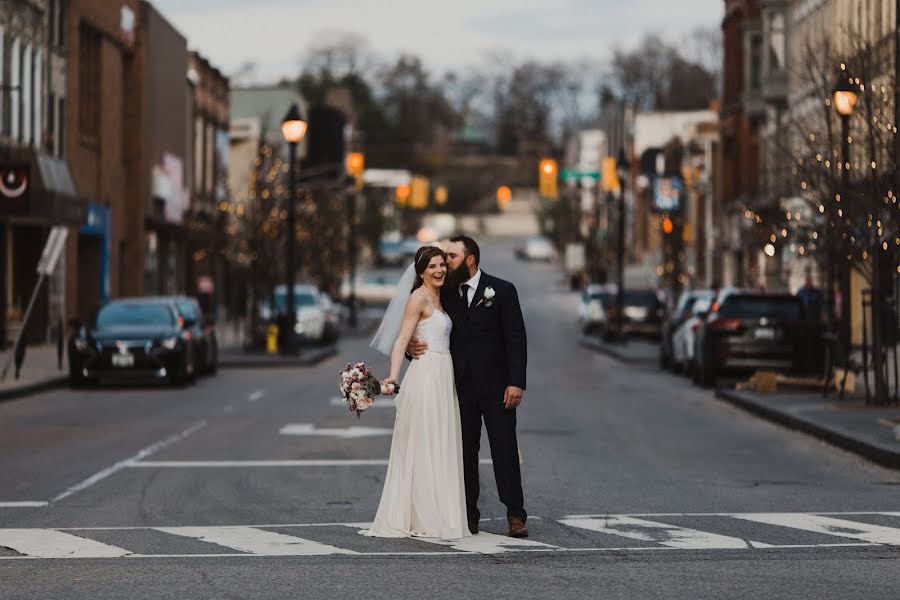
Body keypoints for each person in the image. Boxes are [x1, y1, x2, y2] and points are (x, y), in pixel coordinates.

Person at [407, 235, 529, 538]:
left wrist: (516, 382)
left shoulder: (501, 290)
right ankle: (468, 516)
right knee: (463, 454)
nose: (446, 262)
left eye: (452, 256)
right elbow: (422, 324)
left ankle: (515, 514)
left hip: (498, 388)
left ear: (470, 259)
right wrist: (412, 347)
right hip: (458, 389)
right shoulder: (444, 294)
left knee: (504, 451)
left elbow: (516, 339)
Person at [360, 246, 469, 539]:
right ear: (420, 271)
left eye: (441, 265)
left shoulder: (442, 296)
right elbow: (401, 341)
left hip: (444, 376)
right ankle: (422, 515)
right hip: (426, 376)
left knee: (440, 443)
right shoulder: (417, 299)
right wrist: (393, 377)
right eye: (432, 266)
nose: (439, 270)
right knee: (423, 443)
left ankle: (440, 511)